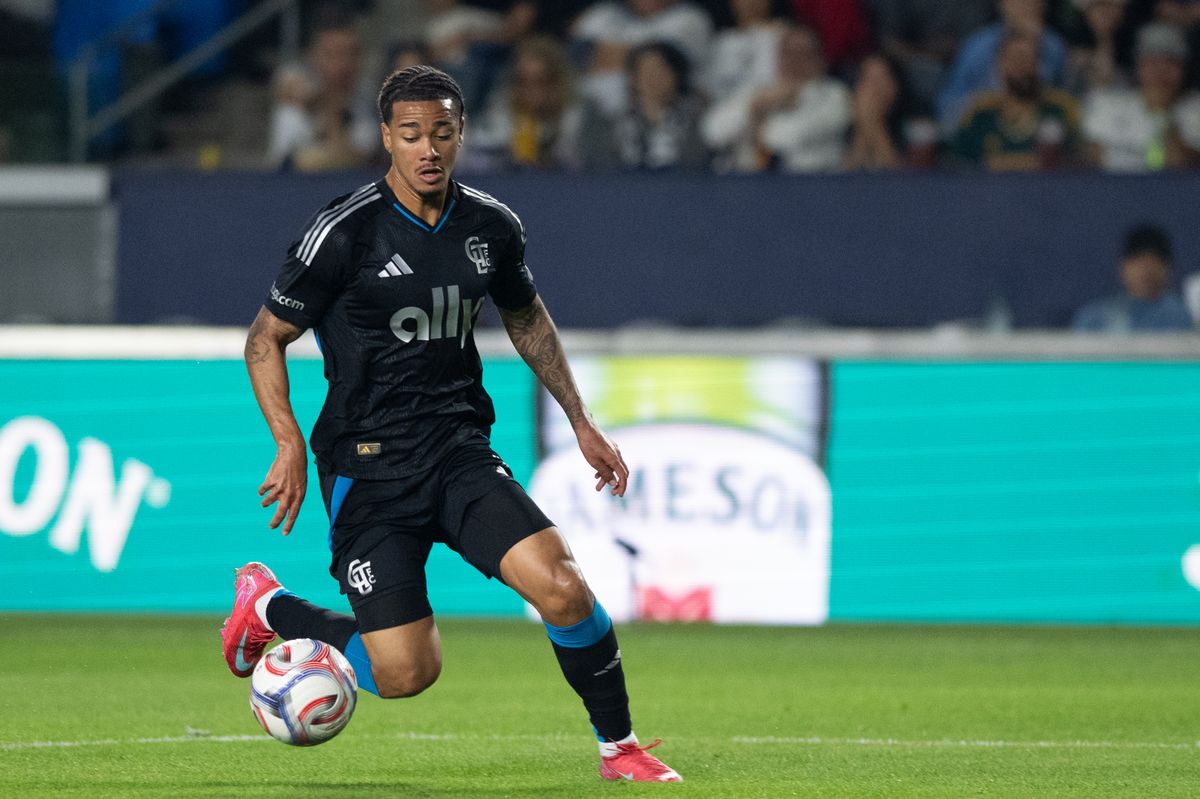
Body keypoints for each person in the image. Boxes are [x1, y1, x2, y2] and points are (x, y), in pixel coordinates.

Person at [221, 65, 682, 783]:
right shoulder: (344, 233)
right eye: (411, 135)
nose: (427, 148)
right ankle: (273, 606)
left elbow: (526, 318)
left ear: (461, 133)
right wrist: (286, 442)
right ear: (387, 139)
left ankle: (619, 748)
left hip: (458, 450)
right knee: (406, 672)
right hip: (367, 467)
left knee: (561, 586)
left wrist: (582, 419)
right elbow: (264, 339)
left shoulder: (491, 227)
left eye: (441, 132)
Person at [701, 24, 851, 171]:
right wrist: (754, 107)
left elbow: (787, 139)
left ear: (820, 60)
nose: (794, 62)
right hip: (747, 183)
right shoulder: (759, 92)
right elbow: (712, 132)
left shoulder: (834, 95)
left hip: (811, 185)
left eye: (803, 54)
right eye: (788, 53)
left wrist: (761, 115)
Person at [953, 31, 1081, 170]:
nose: (1022, 65)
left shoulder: (1060, 109)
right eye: (1015, 57)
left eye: (1029, 58)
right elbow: (955, 163)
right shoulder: (979, 113)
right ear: (1000, 63)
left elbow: (1082, 158)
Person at [266, 11, 378, 170]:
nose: (343, 64)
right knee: (289, 114)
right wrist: (320, 99)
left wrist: (332, 112)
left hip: (347, 180)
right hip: (291, 181)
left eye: (349, 54)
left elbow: (357, 155)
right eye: (333, 54)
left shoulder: (366, 96)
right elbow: (286, 86)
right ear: (315, 55)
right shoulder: (298, 76)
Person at [937, 0, 1069, 134]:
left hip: (1038, 132)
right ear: (1002, 4)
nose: (1024, 6)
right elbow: (948, 105)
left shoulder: (1054, 46)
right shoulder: (978, 45)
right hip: (983, 131)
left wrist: (1036, 43)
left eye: (1031, 2)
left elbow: (1059, 98)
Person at [1083, 21, 1200, 170]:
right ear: (1138, 66)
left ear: (1184, 68)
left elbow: (1181, 165)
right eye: (1152, 62)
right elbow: (1090, 163)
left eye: (1171, 62)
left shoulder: (1196, 108)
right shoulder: (1109, 104)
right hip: (1115, 191)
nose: (1161, 71)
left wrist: (1165, 114)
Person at [577, 41, 710, 170]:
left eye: (660, 70)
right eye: (645, 71)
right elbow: (602, 164)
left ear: (676, 75)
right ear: (632, 78)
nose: (653, 78)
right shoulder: (613, 122)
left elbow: (697, 162)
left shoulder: (696, 119)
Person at [1072, 223, 1195, 331]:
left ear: (1168, 268)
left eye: (1155, 260)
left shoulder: (1187, 317)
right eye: (1139, 260)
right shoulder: (1094, 319)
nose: (1147, 270)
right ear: (1123, 267)